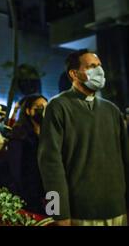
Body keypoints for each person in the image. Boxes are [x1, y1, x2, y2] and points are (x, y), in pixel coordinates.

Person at [38, 49, 129, 226]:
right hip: (80, 213)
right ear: (74, 73)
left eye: (100, 66)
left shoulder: (111, 110)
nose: (99, 71)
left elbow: (126, 159)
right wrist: (57, 213)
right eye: (92, 66)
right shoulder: (57, 106)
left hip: (118, 211)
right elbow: (49, 164)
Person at [0, 94, 47, 214]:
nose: (44, 110)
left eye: (46, 106)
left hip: (43, 192)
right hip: (25, 194)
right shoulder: (19, 134)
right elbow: (15, 168)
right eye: (39, 107)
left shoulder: (48, 135)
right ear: (28, 111)